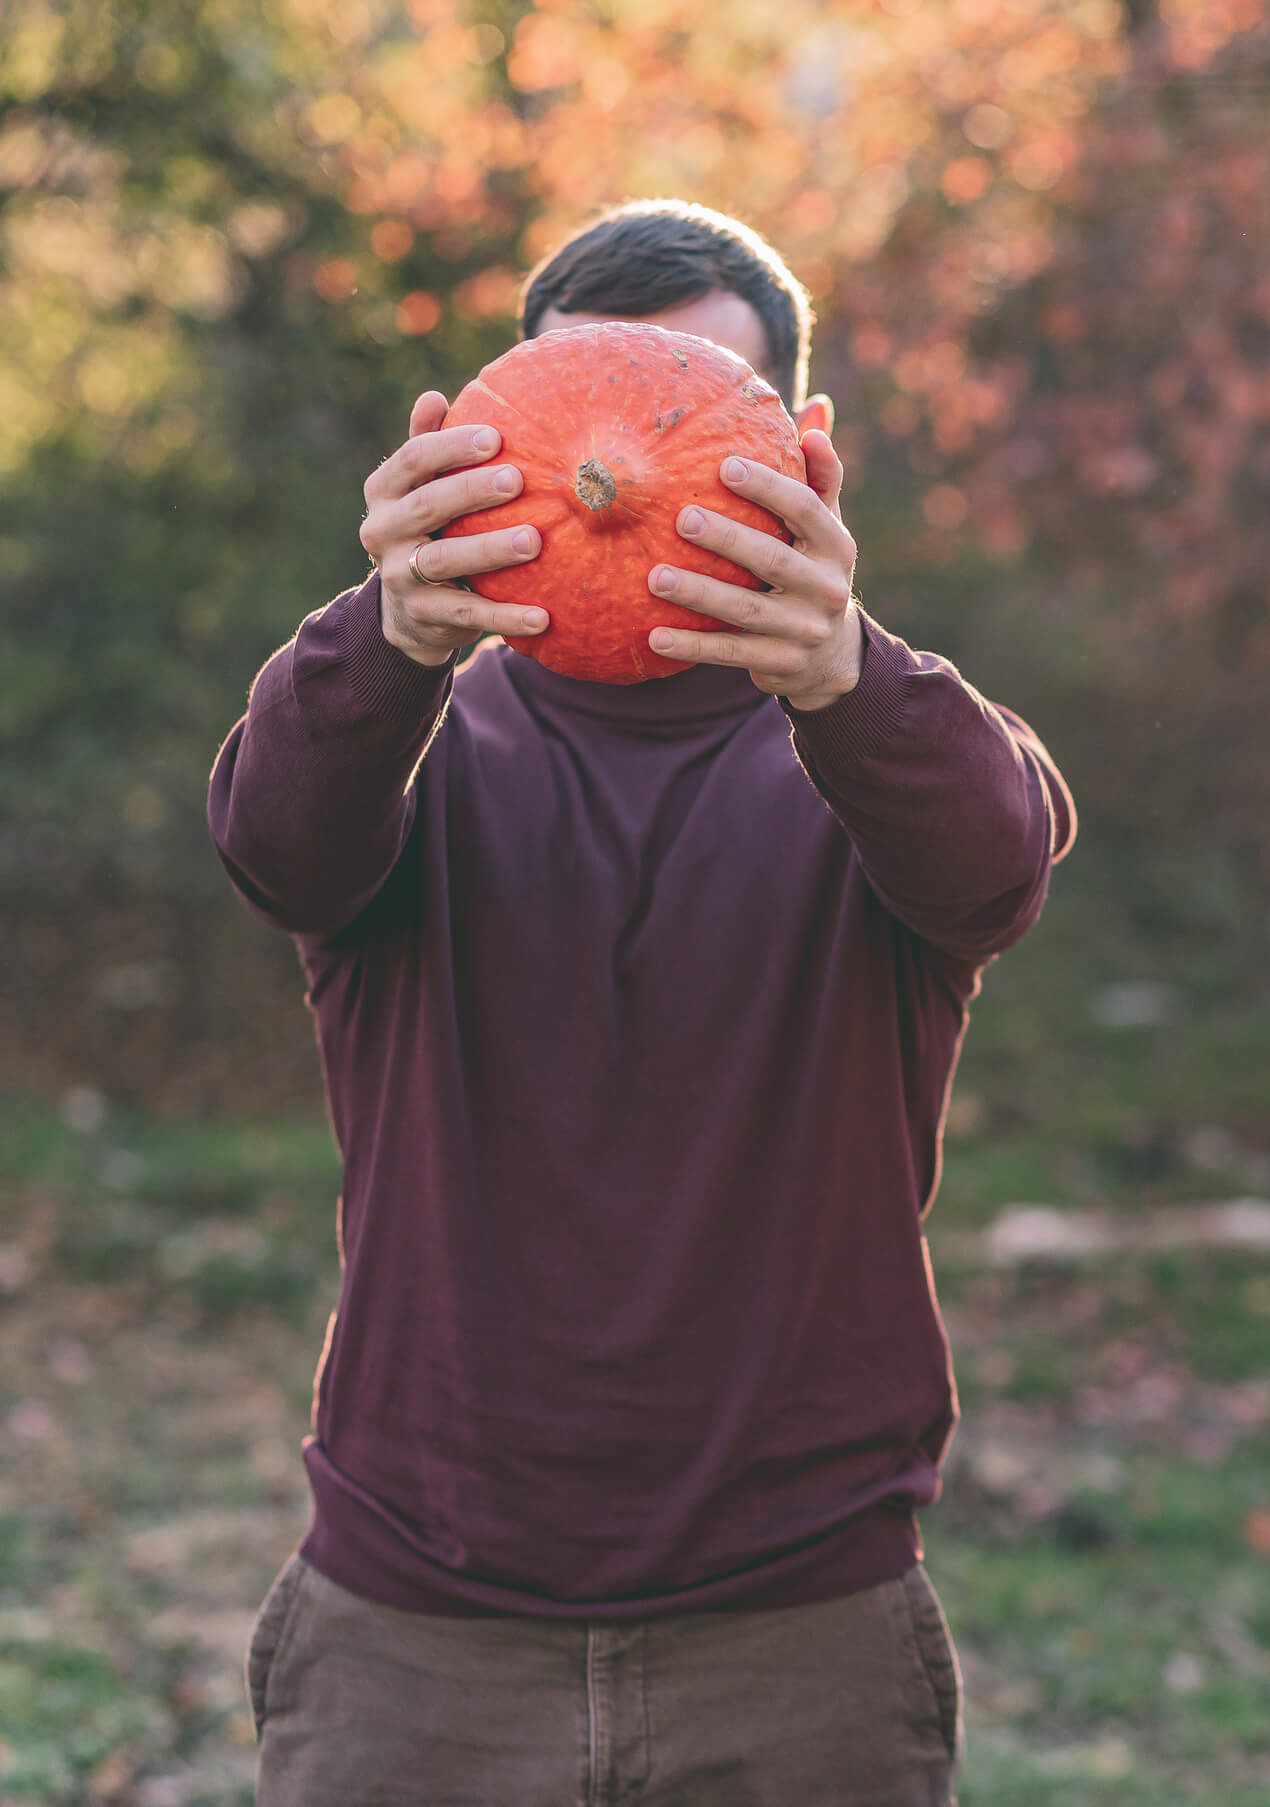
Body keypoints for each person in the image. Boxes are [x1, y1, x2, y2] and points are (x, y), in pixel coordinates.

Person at [208, 199, 1074, 1805]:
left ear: (806, 452)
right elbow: (276, 846)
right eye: (567, 414)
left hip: (801, 1632)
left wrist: (843, 675)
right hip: (419, 1628)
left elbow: (993, 871)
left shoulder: (877, 751)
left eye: (684, 407)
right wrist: (389, 638)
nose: (613, 464)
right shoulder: (405, 735)